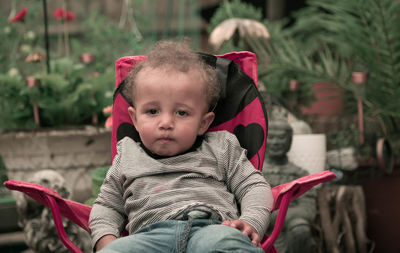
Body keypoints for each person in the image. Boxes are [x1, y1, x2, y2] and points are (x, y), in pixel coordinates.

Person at [89, 40, 273, 253]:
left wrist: (251, 221)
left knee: (226, 243)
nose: (166, 123)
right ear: (135, 119)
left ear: (204, 123)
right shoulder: (127, 156)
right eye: (152, 111)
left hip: (210, 229)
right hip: (149, 238)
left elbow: (254, 186)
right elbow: (107, 206)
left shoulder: (221, 147)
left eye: (182, 113)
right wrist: (107, 241)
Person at [262, 113, 317, 253]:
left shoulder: (300, 174)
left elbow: (308, 210)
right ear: (265, 138)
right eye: (272, 137)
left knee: (301, 228)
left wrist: (275, 216)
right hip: (259, 225)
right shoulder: (254, 171)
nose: (275, 143)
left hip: (290, 229)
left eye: (281, 138)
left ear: (290, 141)